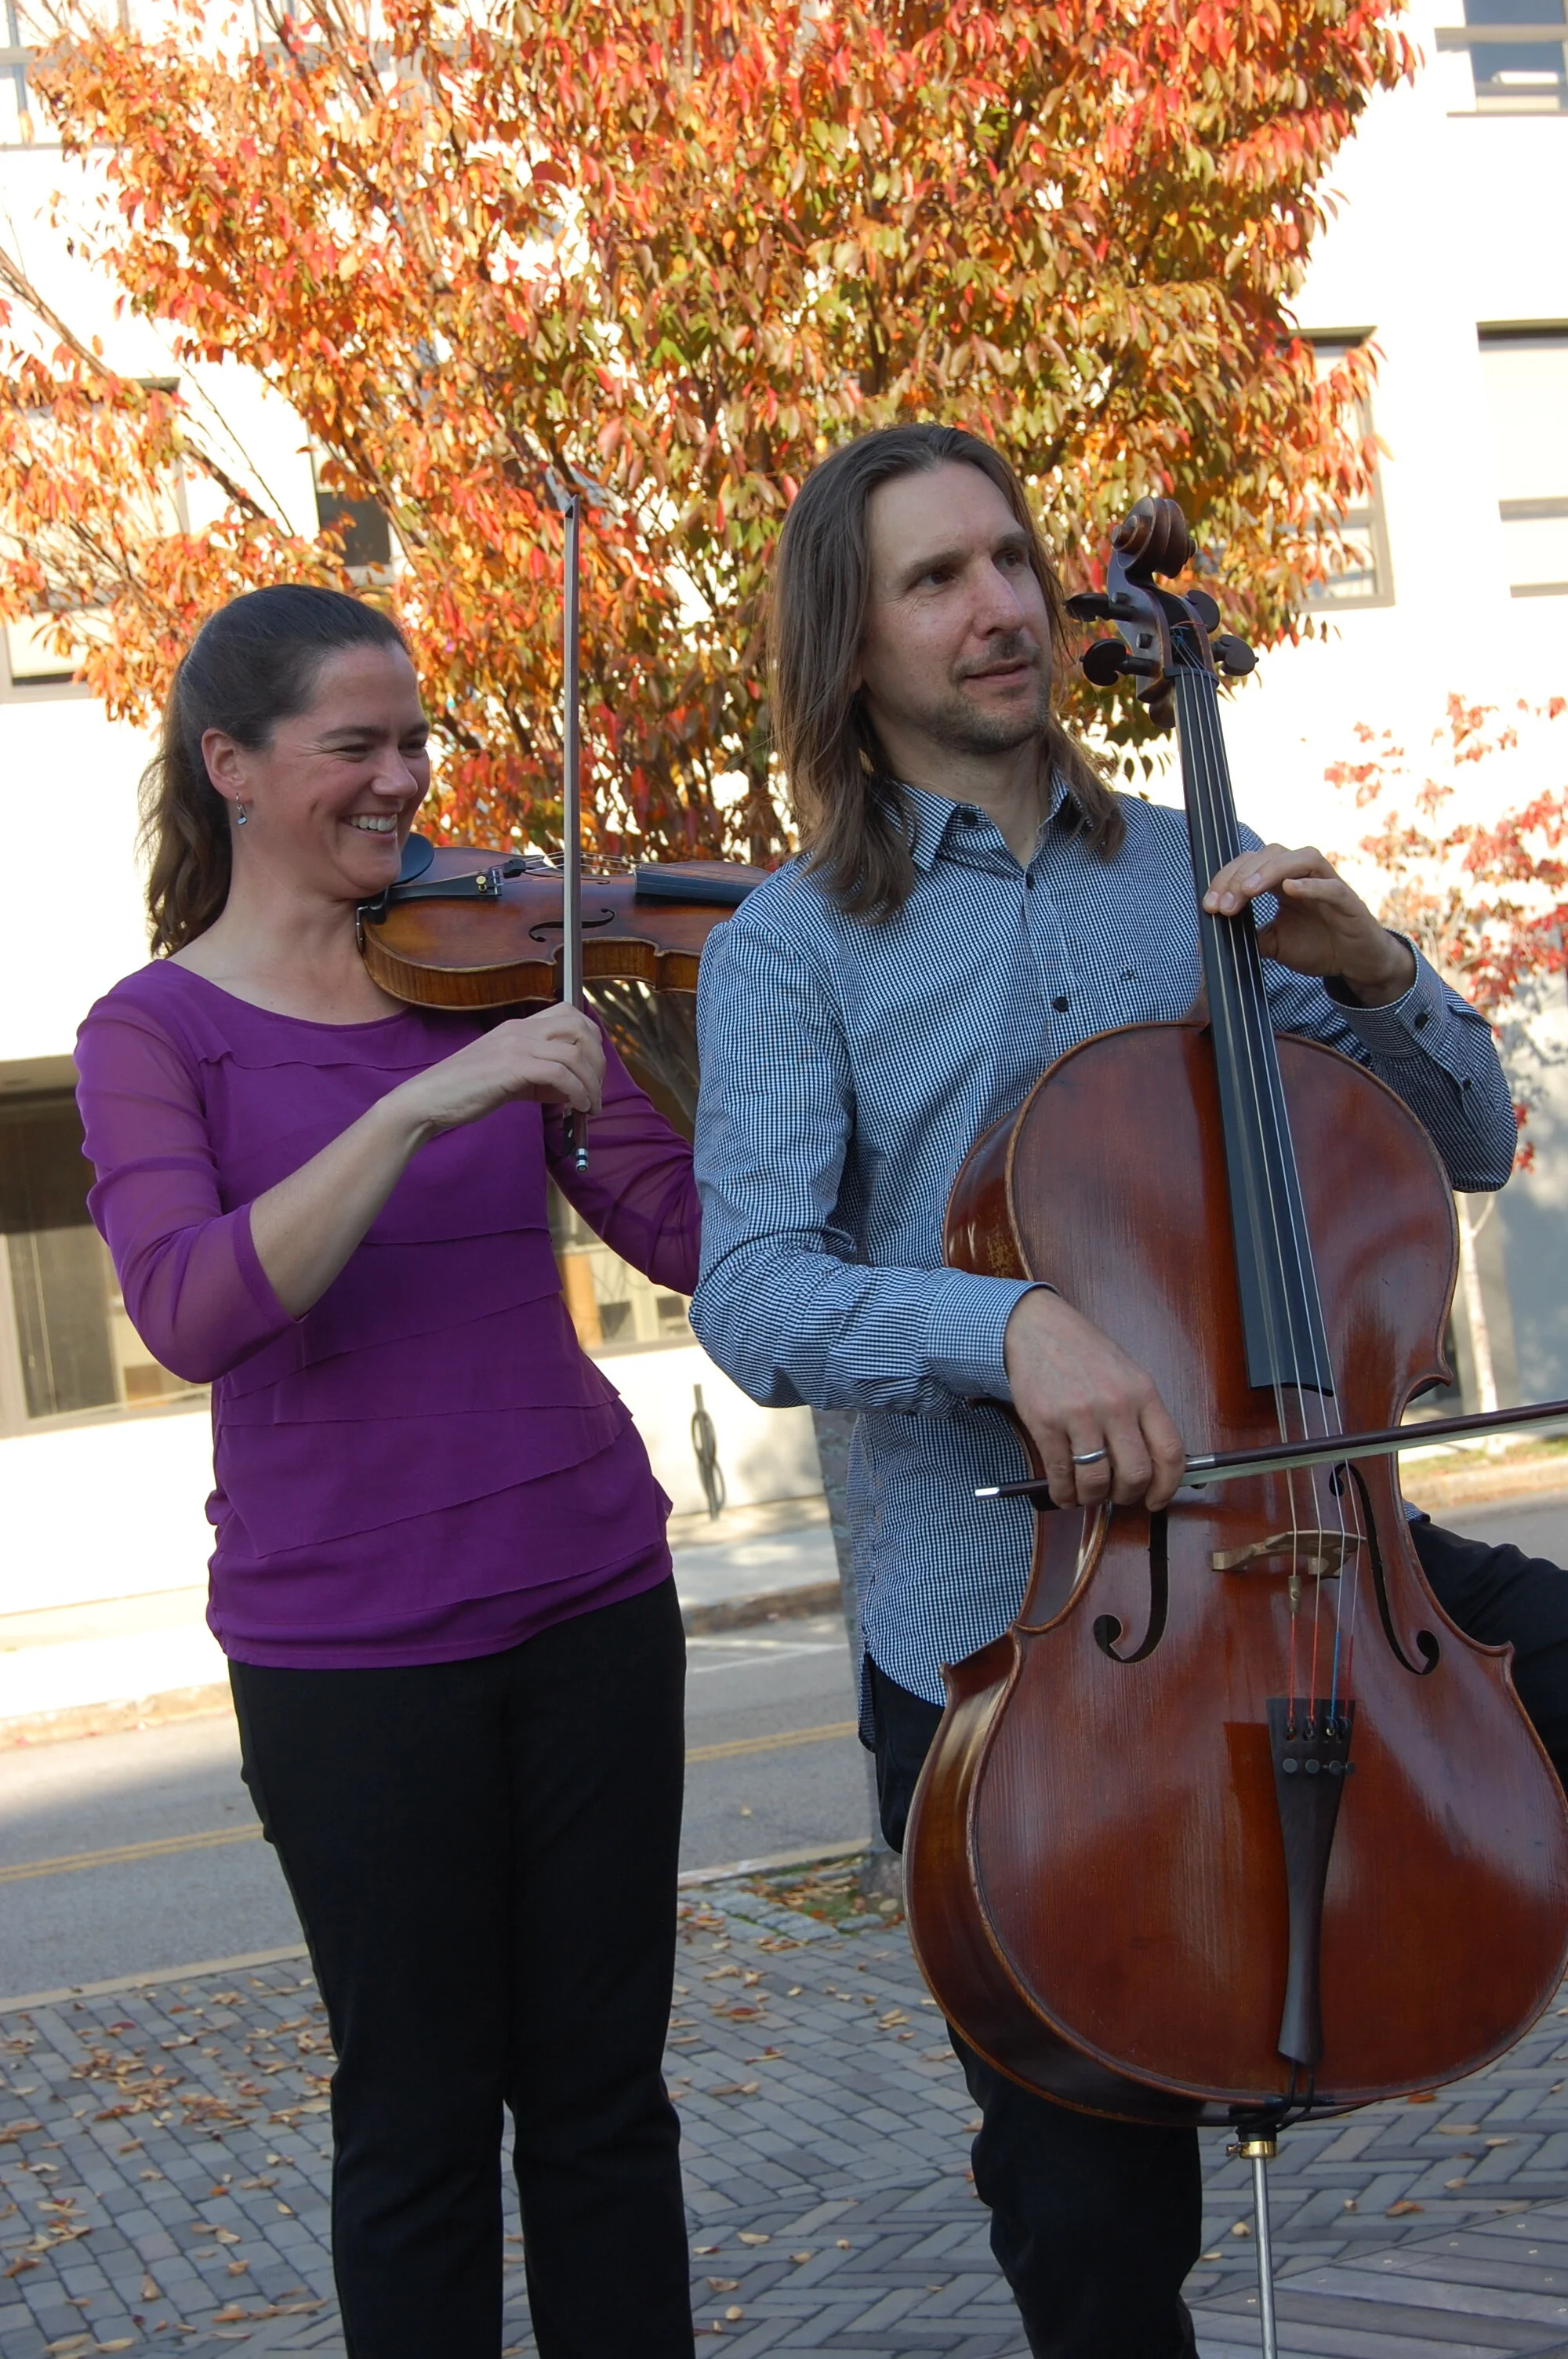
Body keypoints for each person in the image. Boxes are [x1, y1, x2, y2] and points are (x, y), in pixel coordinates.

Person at [688, 423, 1568, 2359]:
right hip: (1022, 1635)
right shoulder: (791, 950)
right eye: (935, 579)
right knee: (1090, 2230)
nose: (998, 605)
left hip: (1318, 1543)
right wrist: (999, 1326)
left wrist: (1386, 965)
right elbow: (752, 1292)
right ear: (849, 643)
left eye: (1008, 559)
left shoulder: (1205, 878)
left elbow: (1476, 1139)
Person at [74, 586, 699, 2359]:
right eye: (357, 744)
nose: (405, 778)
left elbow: (691, 1231)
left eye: (414, 741)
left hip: (589, 1597)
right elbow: (192, 1307)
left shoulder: (496, 962)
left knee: (603, 2109)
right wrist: (424, 1103)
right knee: (418, 2124)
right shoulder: (153, 1034)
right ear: (233, 767)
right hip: (349, 1656)